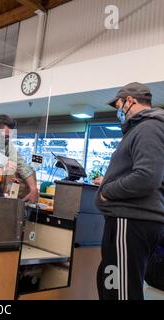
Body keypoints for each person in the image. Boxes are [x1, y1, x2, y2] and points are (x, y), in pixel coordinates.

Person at [95, 82, 164, 300]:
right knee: (111, 284)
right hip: (129, 220)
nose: (118, 110)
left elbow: (146, 177)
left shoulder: (149, 128)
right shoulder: (142, 129)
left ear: (130, 100)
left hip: (131, 219)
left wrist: (107, 191)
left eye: (118, 105)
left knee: (121, 293)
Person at [0, 114, 39, 202]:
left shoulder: (6, 144)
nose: (7, 140)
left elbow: (21, 164)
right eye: (6, 137)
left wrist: (34, 189)